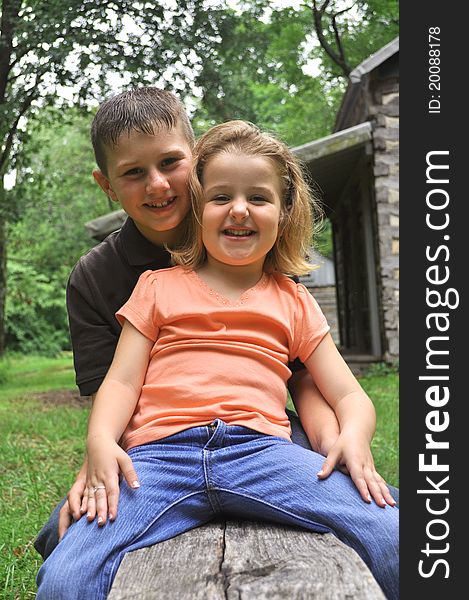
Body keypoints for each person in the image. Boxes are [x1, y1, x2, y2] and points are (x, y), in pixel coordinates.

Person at [36, 120, 398, 600]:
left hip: (263, 453)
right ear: (198, 207)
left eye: (260, 198)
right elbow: (120, 384)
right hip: (157, 460)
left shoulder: (293, 300)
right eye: (221, 197)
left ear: (285, 210)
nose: (240, 210)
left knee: (396, 536)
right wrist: (100, 441)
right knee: (66, 578)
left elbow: (347, 393)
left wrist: (353, 435)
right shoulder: (157, 287)